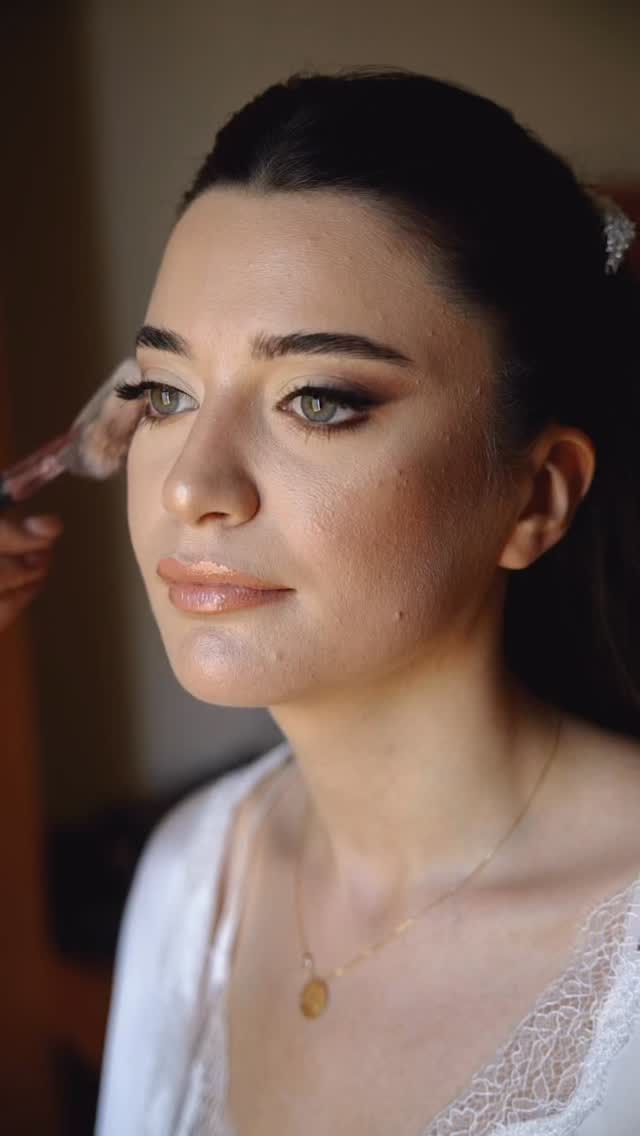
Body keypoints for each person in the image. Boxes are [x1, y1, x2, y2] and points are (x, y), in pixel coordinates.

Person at [66, 65, 638, 1133]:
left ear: (536, 494)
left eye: (316, 400)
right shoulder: (195, 877)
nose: (193, 482)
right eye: (164, 392)